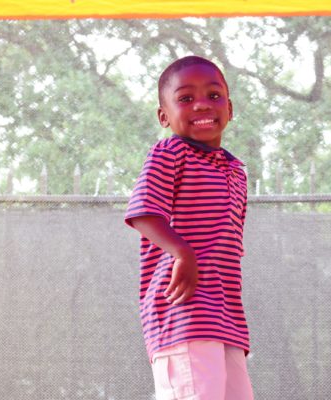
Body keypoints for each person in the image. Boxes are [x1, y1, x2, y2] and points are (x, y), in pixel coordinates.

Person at [124, 55, 254, 400]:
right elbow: (142, 213)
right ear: (164, 116)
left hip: (226, 317)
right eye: (185, 99)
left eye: (214, 96)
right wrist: (182, 251)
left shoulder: (235, 170)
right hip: (183, 314)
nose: (202, 105)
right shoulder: (170, 152)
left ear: (230, 108)